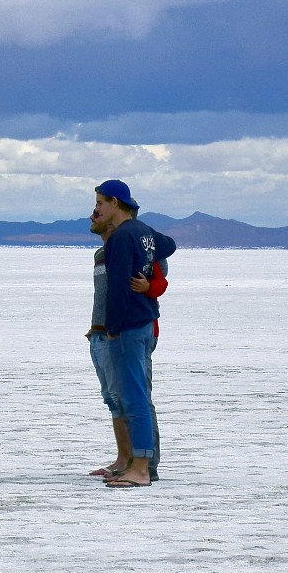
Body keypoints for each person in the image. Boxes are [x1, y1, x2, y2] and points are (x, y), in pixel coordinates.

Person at [83, 179, 174, 488]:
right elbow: (168, 245)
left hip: (131, 328)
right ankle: (132, 463)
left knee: (135, 398)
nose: (95, 210)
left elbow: (121, 291)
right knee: (123, 398)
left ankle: (143, 469)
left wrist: (115, 329)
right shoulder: (139, 234)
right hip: (129, 327)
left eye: (100, 203)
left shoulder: (126, 237)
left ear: (115, 204)